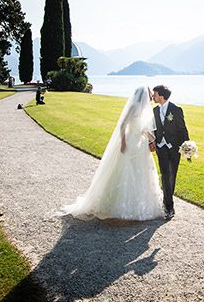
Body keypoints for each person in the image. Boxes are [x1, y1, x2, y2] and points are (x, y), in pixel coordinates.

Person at [60, 86, 163, 221]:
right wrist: (123, 142)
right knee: (126, 170)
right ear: (143, 95)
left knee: (142, 171)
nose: (151, 96)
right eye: (150, 93)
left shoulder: (145, 109)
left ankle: (140, 205)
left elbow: (144, 129)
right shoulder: (134, 107)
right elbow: (123, 125)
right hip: (130, 142)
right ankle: (120, 205)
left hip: (140, 144)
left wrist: (152, 140)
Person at [148, 84, 189, 220]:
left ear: (161, 96)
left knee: (172, 176)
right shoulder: (154, 111)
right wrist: (152, 141)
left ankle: (167, 200)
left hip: (174, 148)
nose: (153, 96)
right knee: (165, 175)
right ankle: (169, 206)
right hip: (161, 147)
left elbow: (182, 129)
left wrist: (187, 146)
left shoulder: (176, 110)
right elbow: (153, 129)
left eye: (155, 94)